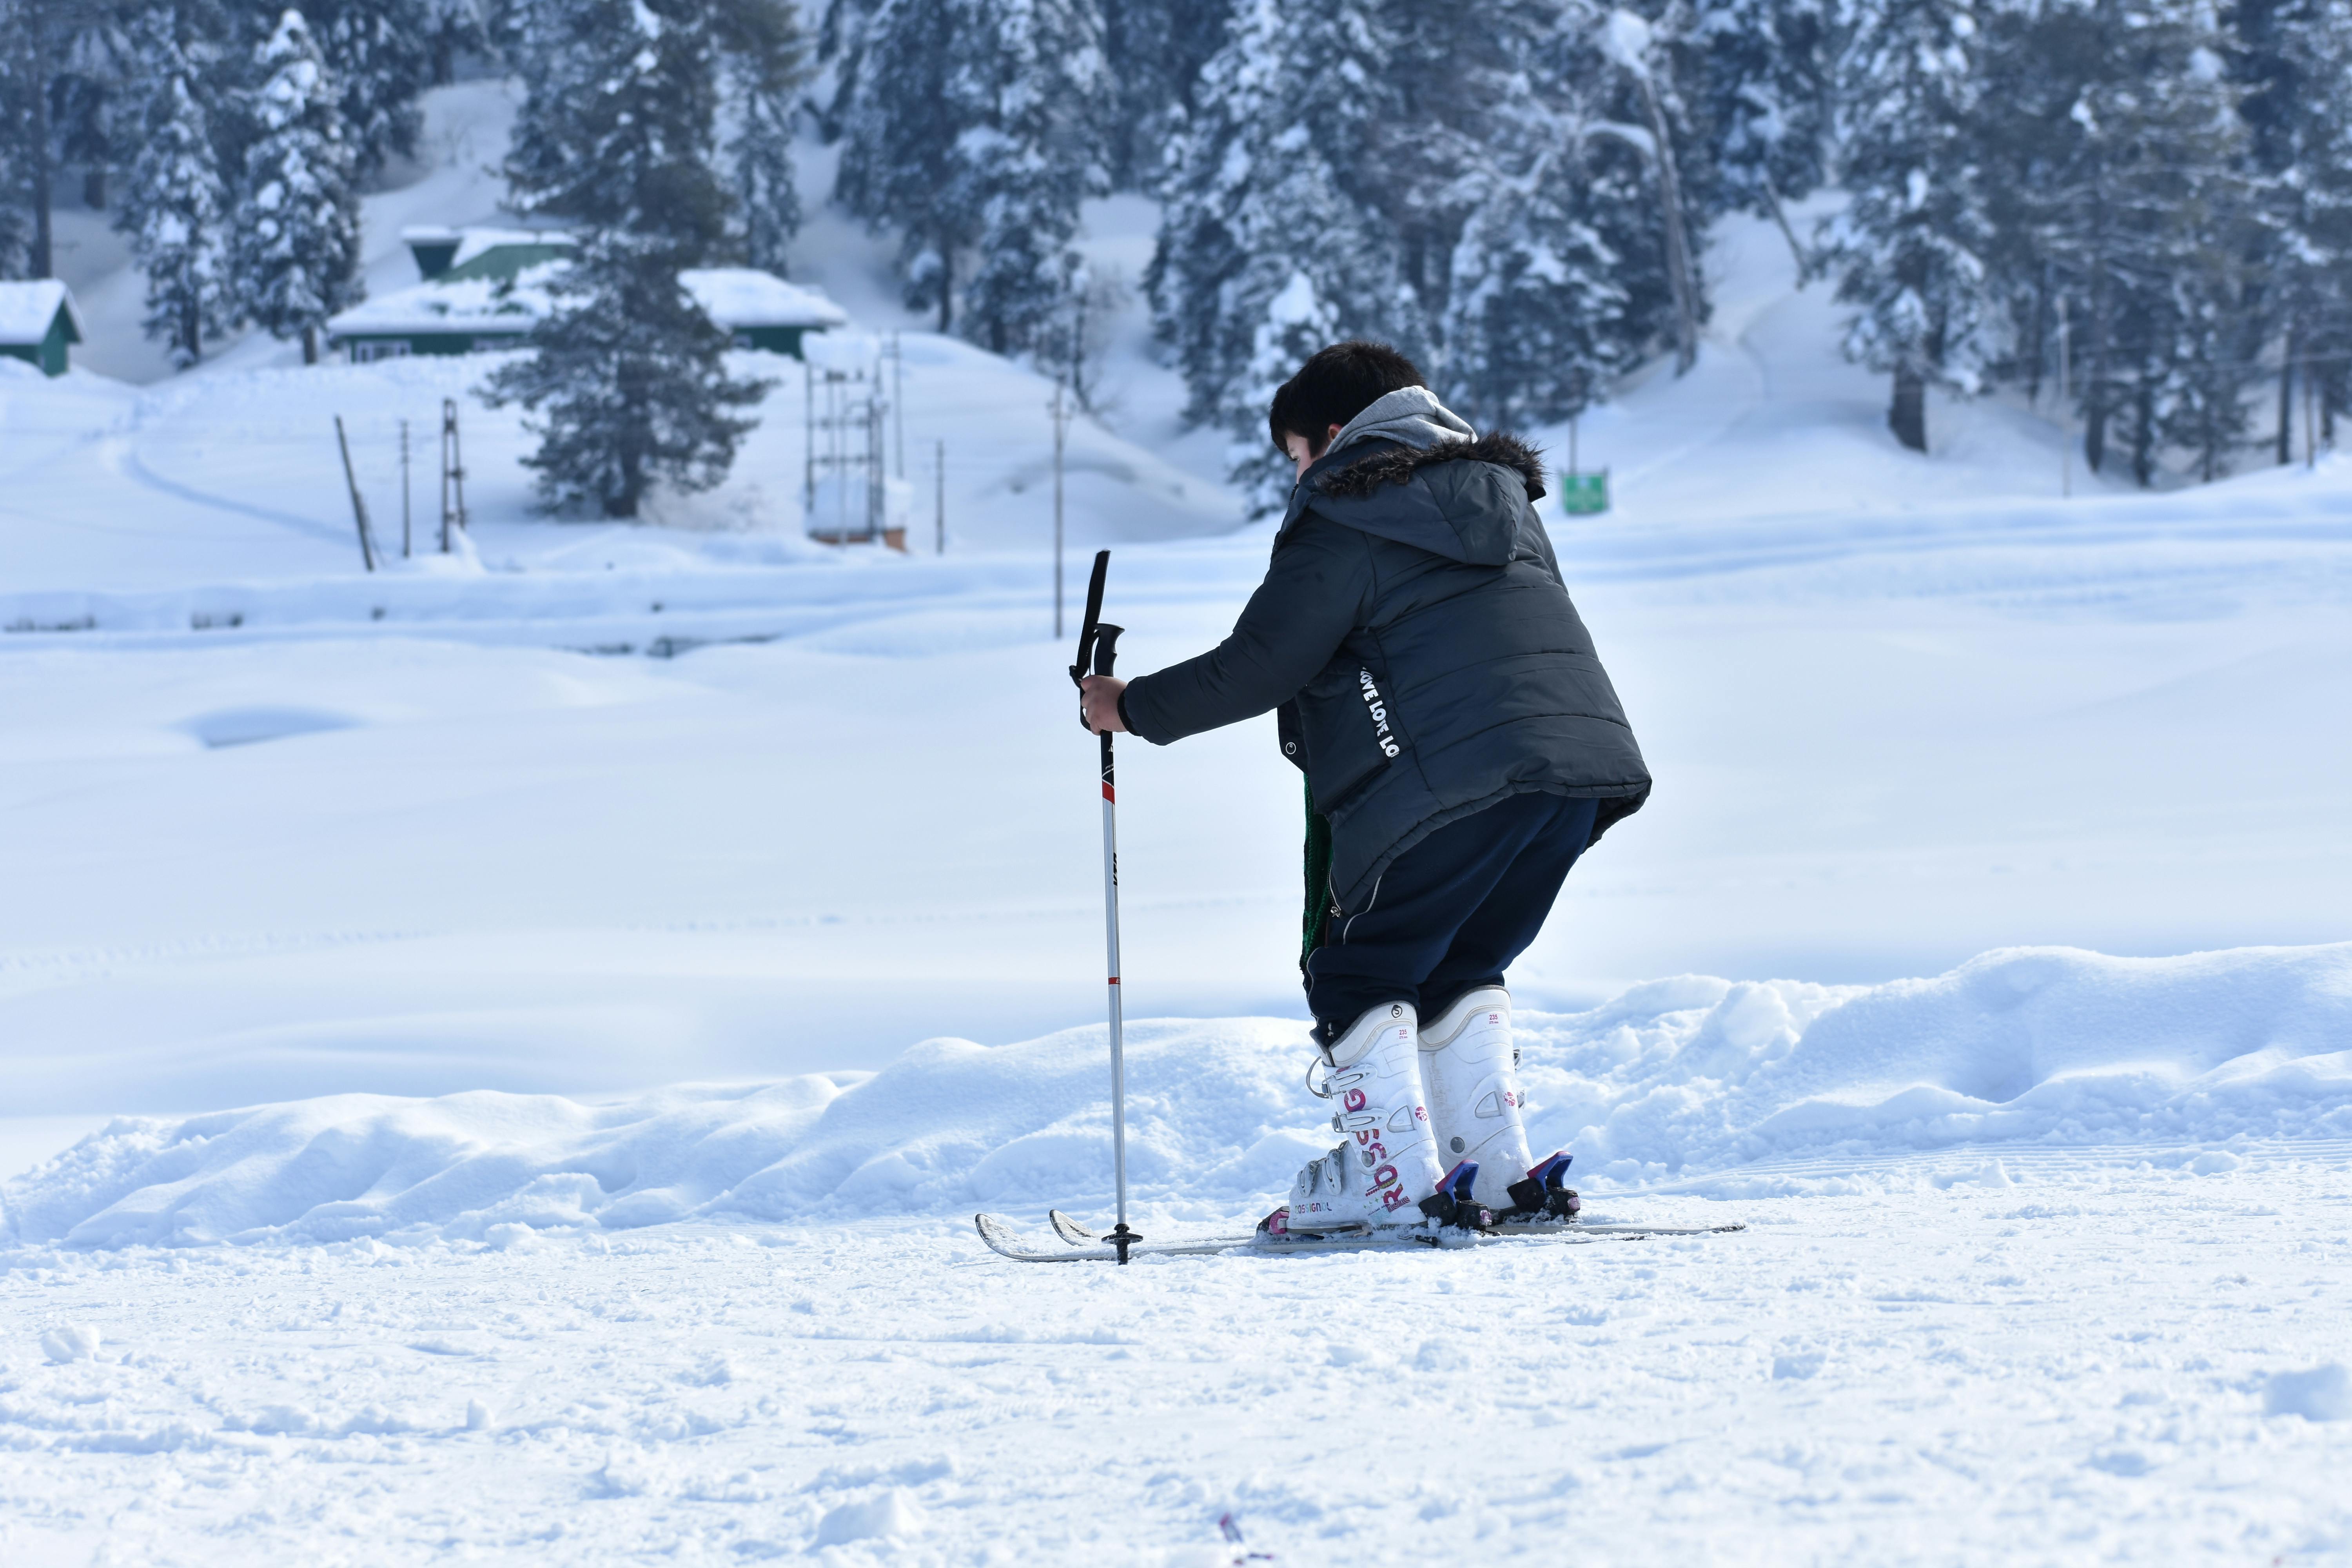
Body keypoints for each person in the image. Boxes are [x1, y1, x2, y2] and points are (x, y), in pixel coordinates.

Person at [1078, 340, 1650, 1235]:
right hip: (1576, 776)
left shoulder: (1351, 505)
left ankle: (1392, 1186)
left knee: (1357, 968)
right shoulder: (1498, 499)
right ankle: (1496, 1175)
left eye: (1297, 454)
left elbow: (1263, 662)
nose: (1298, 476)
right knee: (1458, 964)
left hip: (1457, 778)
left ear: (1336, 435)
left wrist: (1129, 707)